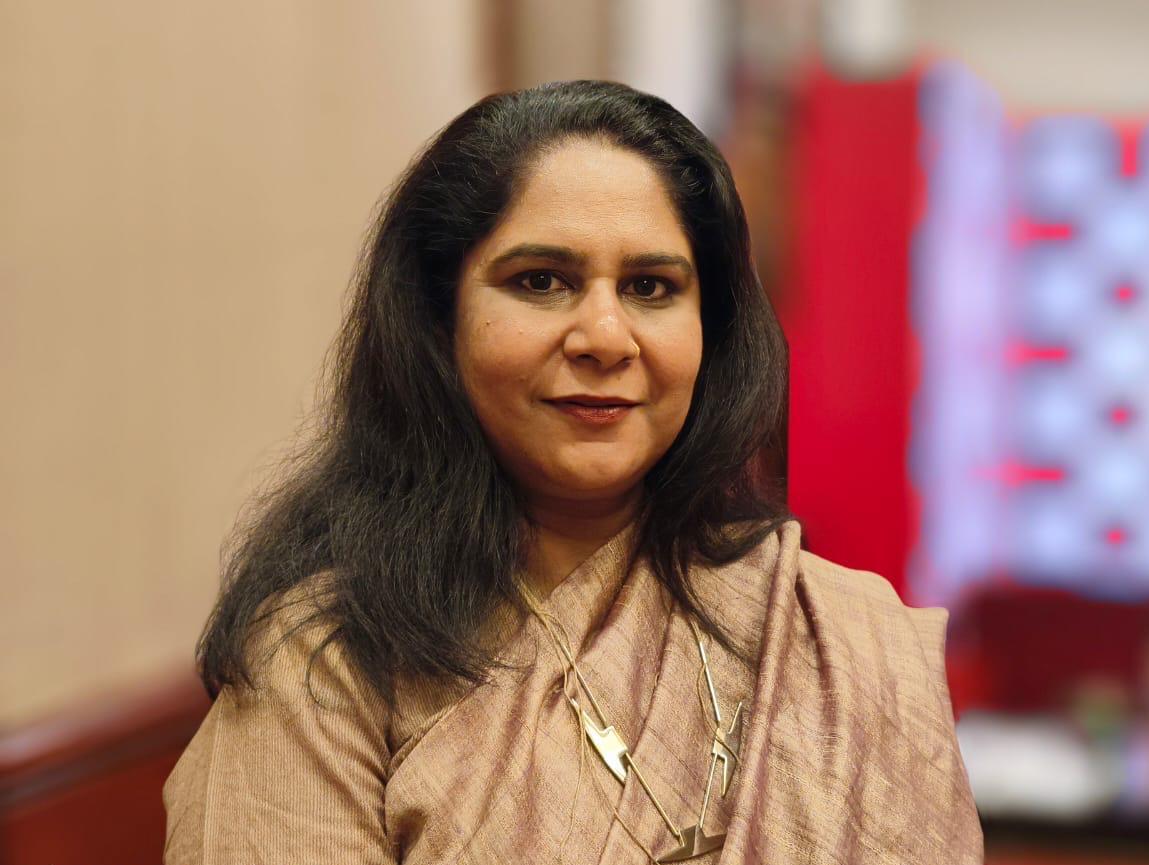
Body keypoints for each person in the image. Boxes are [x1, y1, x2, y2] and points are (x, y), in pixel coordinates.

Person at [162, 80, 983, 864]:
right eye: (541, 281)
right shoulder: (327, 662)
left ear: (710, 328)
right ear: (438, 319)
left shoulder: (836, 639)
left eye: (650, 286)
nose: (604, 337)